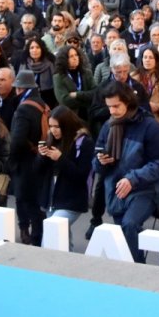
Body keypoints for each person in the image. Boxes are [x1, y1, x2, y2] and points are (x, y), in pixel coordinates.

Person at [94, 81, 159, 262]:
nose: (111, 111)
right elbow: (95, 162)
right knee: (122, 237)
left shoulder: (152, 128)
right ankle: (134, 264)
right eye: (109, 107)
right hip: (116, 189)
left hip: (144, 189)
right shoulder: (108, 126)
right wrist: (101, 161)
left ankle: (137, 269)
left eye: (116, 106)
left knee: (130, 225)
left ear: (128, 102)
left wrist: (132, 179)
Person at [38, 106, 93, 251]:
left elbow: (81, 175)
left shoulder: (84, 143)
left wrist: (60, 158)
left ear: (67, 125)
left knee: (51, 236)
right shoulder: (51, 140)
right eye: (50, 126)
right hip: (51, 199)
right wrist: (42, 156)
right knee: (62, 241)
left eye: (57, 126)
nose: (53, 130)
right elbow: (37, 170)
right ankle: (68, 267)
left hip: (71, 200)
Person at [9, 70, 51, 245]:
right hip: (40, 157)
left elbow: (17, 140)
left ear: (19, 88)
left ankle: (29, 233)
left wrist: (12, 160)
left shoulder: (24, 108)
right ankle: (38, 234)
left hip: (25, 161)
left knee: (24, 199)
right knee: (36, 200)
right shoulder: (43, 105)